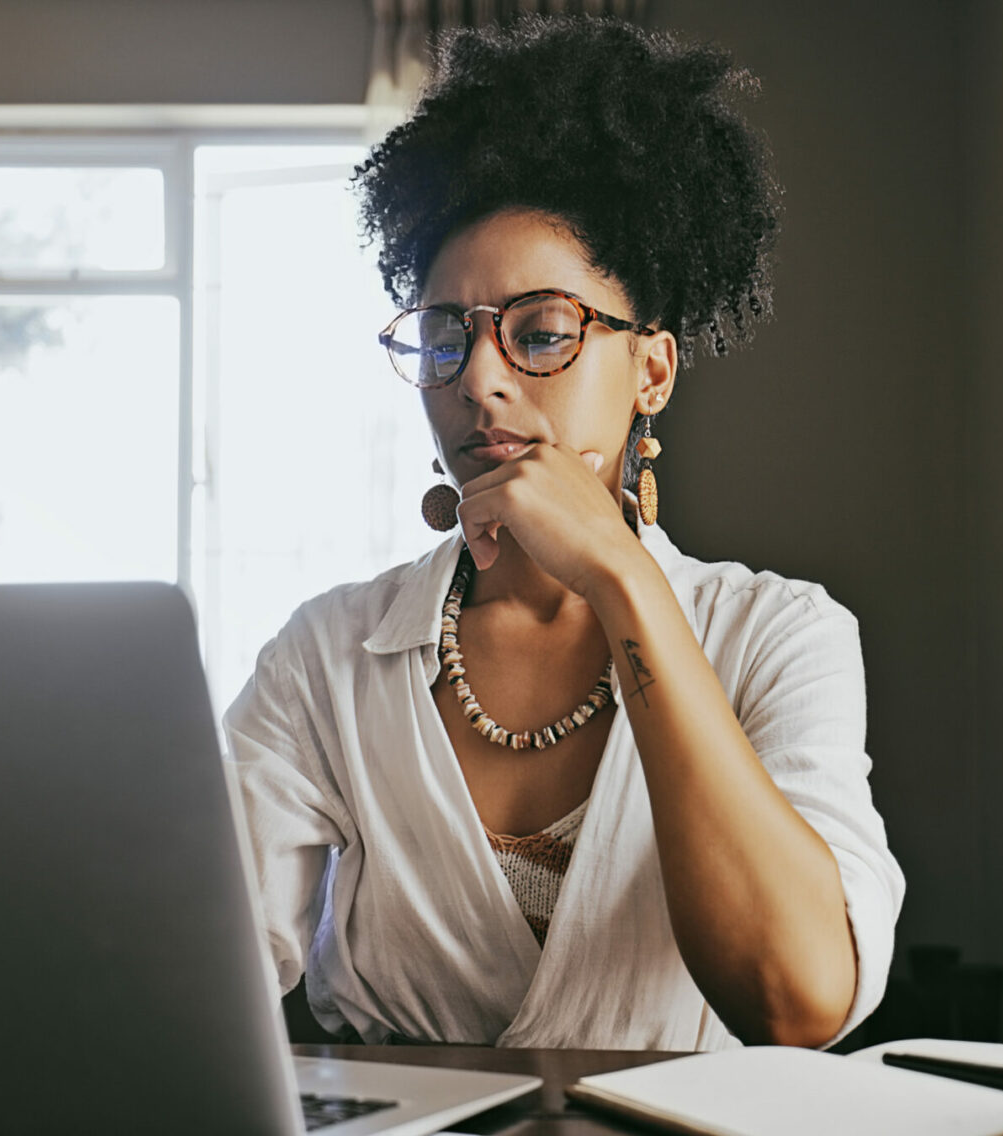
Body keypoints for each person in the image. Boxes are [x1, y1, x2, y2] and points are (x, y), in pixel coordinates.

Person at [224, 15, 903, 1051]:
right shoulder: (325, 657)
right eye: (446, 338)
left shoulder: (781, 635)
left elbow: (795, 996)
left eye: (542, 332)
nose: (480, 380)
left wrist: (622, 577)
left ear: (652, 372)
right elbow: (190, 967)